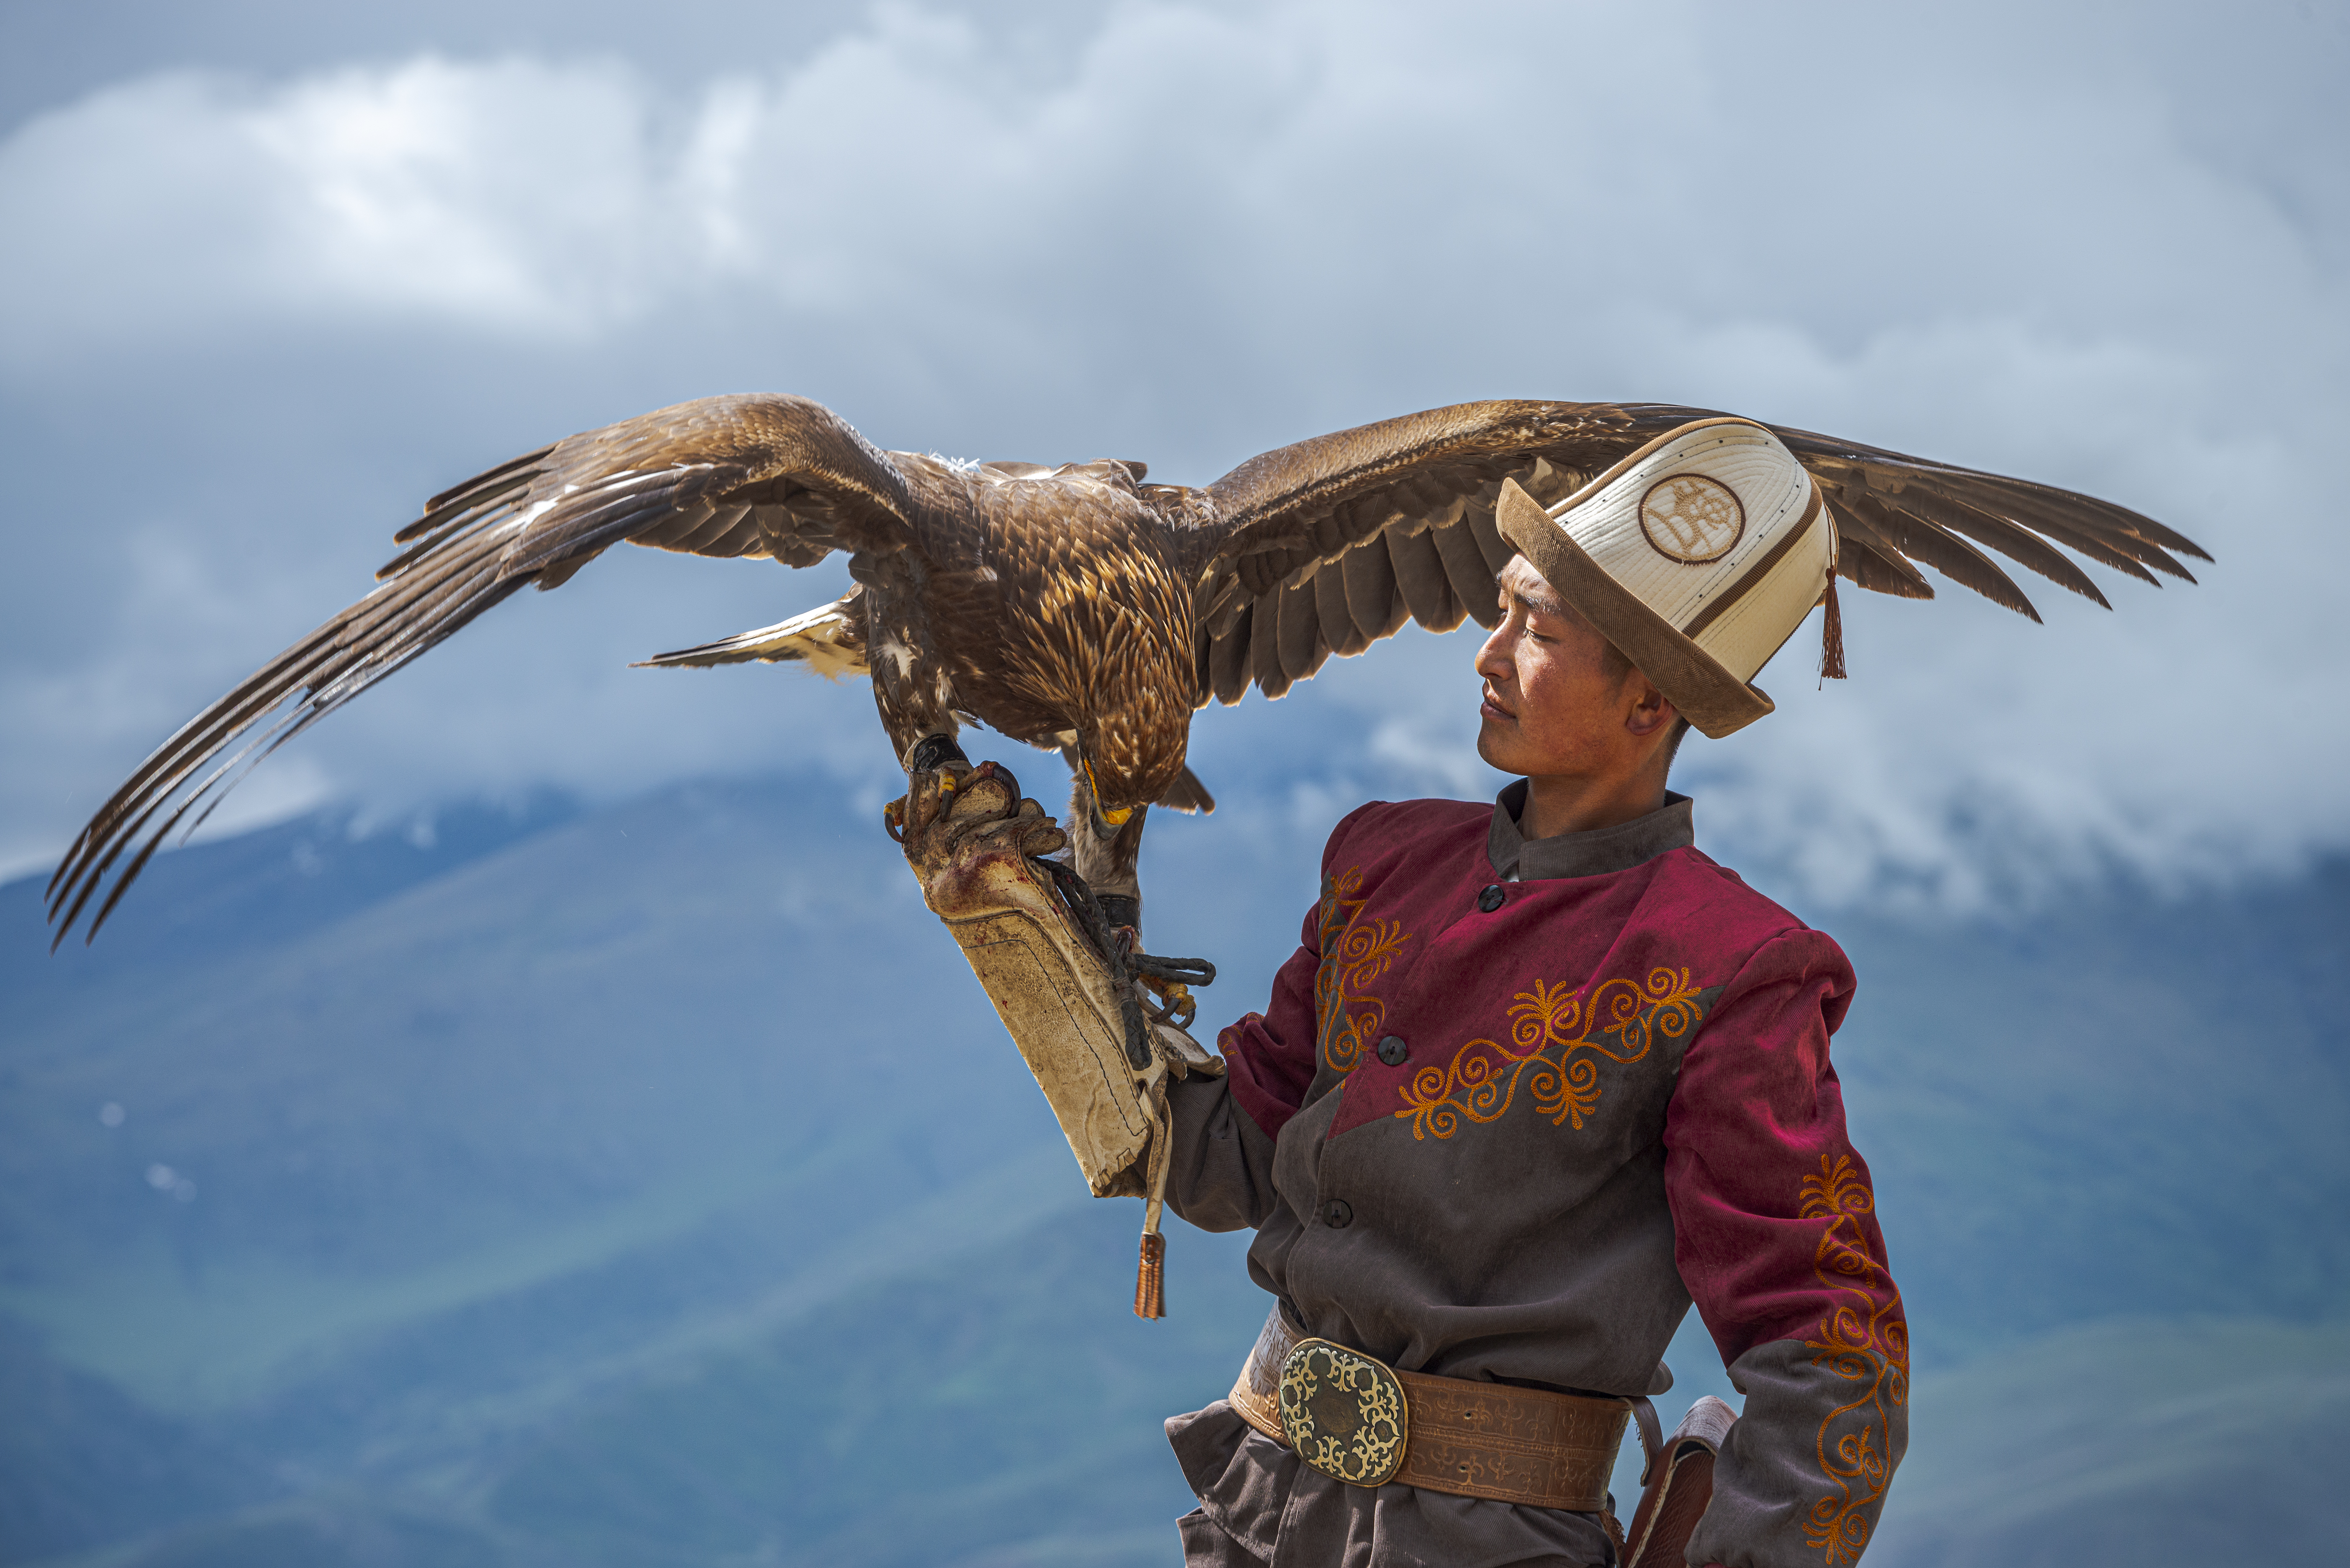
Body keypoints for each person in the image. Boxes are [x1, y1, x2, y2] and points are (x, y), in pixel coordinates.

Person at [901, 420, 1906, 1568]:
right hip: (1260, 1506)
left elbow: (1830, 1345)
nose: (1488, 654)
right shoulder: (1379, 863)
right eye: (1500, 608)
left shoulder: (1733, 965)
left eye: (1539, 629)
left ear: (1649, 704)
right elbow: (1232, 1160)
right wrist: (1025, 937)